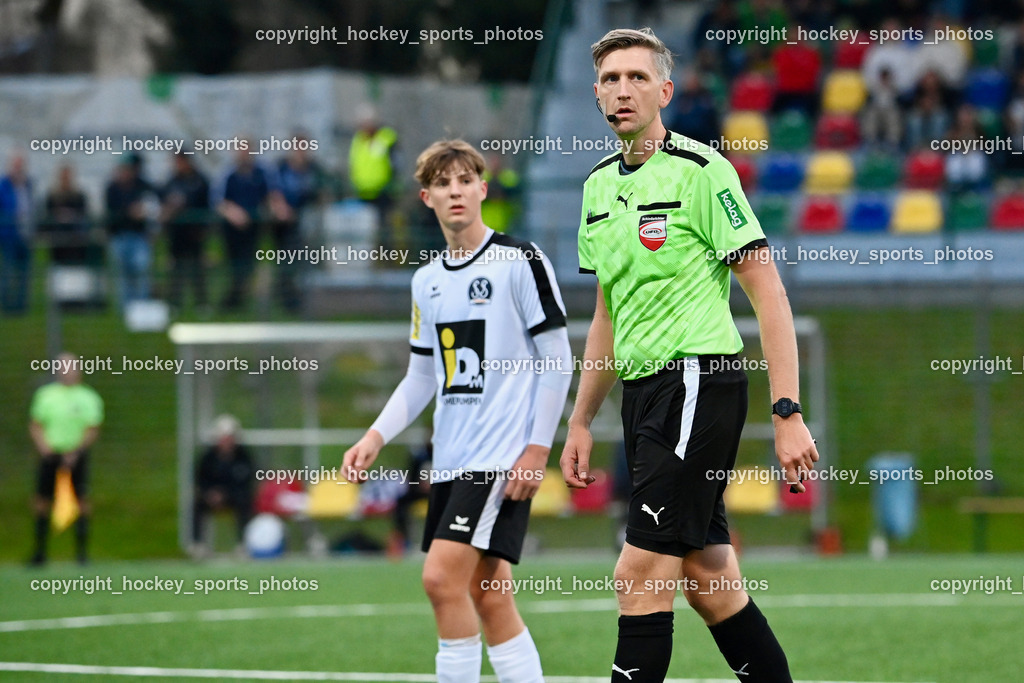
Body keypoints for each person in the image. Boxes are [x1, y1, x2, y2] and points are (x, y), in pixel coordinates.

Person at [561, 29, 818, 682]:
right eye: (611, 79)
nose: (623, 89)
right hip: (643, 397)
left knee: (637, 572)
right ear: (596, 95)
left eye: (638, 78)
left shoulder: (704, 173)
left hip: (699, 381)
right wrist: (582, 418)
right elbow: (606, 316)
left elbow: (769, 292)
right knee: (709, 578)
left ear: (665, 91)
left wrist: (787, 411)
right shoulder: (595, 190)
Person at [343, 139, 572, 683]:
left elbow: (558, 362)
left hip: (498, 460)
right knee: (487, 595)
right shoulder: (426, 281)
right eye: (443, 184)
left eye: (465, 180)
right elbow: (423, 375)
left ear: (483, 189)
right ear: (427, 197)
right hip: (451, 459)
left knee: (440, 580)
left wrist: (538, 448)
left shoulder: (521, 261)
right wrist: (376, 434)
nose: (456, 191)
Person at [29, 352, 104, 565]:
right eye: (62, 367)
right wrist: (44, 447)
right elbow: (36, 424)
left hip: (76, 455)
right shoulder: (46, 395)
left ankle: (82, 554)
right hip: (50, 453)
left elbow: (92, 427)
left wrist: (77, 450)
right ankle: (39, 552)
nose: (66, 372)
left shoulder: (88, 397)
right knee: (42, 500)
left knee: (81, 500)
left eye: (70, 367)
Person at [214, 142, 277, 310]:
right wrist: (233, 213)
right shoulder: (228, 173)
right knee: (233, 266)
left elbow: (271, 195)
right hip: (231, 230)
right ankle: (233, 302)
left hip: (254, 229)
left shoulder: (262, 173)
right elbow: (218, 201)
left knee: (249, 266)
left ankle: (242, 301)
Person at [272, 133, 327, 311]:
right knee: (286, 263)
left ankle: (305, 301)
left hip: (308, 227)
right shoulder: (281, 168)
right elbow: (272, 192)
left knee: (305, 263)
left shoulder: (315, 170)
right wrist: (280, 207)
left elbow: (324, 192)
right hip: (284, 225)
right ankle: (287, 301)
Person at [192, 414, 254, 556]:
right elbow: (200, 479)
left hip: (234, 496)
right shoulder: (208, 457)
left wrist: (226, 493)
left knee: (244, 503)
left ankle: (243, 544)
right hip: (211, 496)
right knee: (196, 505)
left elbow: (246, 481)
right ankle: (198, 545)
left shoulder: (243, 456)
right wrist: (210, 493)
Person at [161, 150, 211, 312]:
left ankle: (201, 303)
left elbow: (206, 205)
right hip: (177, 234)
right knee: (177, 270)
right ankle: (175, 303)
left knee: (197, 270)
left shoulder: (200, 180)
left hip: (195, 233)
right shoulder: (172, 181)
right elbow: (164, 205)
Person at [105, 154, 155, 308]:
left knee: (141, 271)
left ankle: (142, 308)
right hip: (119, 237)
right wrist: (130, 213)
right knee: (123, 276)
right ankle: (126, 310)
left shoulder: (143, 186)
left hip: (139, 237)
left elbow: (152, 206)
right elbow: (112, 213)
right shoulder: (112, 188)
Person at [0, 152, 34, 313]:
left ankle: (21, 305)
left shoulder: (28, 184)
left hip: (26, 234)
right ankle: (7, 305)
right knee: (8, 271)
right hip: (9, 234)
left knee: (24, 273)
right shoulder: (3, 185)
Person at [43, 164, 90, 266]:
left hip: (76, 243)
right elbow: (47, 218)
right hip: (58, 244)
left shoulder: (79, 196)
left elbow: (83, 215)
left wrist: (71, 216)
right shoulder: (52, 197)